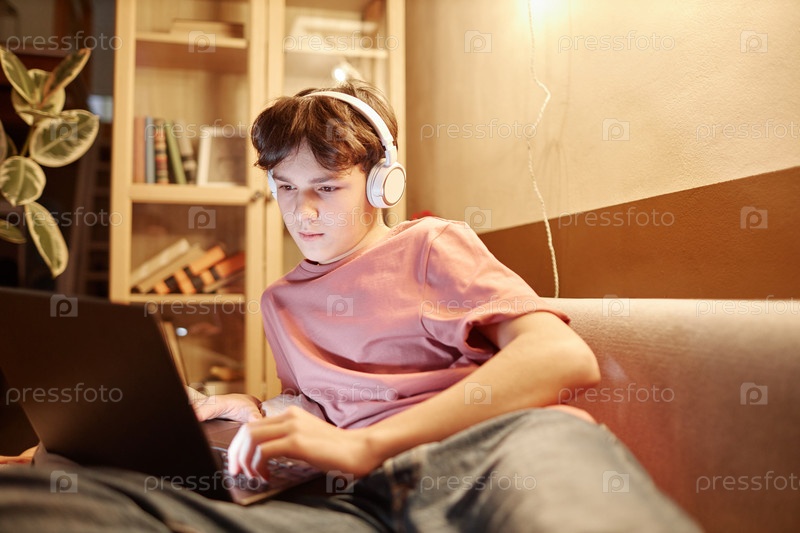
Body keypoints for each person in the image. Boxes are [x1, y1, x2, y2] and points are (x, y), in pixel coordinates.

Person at [0, 81, 701, 532]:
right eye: (284, 188)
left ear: (379, 182)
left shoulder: (431, 245)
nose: (301, 212)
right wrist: (254, 410)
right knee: (36, 502)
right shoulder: (281, 302)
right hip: (355, 502)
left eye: (326, 188)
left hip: (488, 457)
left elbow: (560, 356)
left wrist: (365, 444)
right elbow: (323, 405)